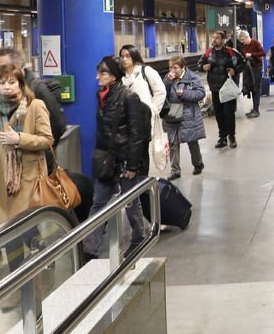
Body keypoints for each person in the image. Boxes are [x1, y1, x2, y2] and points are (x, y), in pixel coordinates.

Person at [82, 56, 149, 260]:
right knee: (98, 203)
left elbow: (137, 134)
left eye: (102, 73)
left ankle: (139, 237)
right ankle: (89, 248)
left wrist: (132, 164)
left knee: (131, 203)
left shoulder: (129, 97)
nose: (97, 77)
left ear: (113, 75)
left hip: (124, 160)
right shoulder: (102, 96)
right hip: (106, 160)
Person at [0, 65, 54, 225]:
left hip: (29, 181)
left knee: (30, 230)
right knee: (5, 236)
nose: (7, 87)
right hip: (0, 183)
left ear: (21, 84)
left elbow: (47, 139)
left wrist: (19, 139)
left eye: (12, 82)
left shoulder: (35, 105)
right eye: (2, 83)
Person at [0, 48, 66, 148]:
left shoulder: (37, 90)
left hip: (34, 158)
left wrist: (44, 154)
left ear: (18, 65)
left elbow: (57, 126)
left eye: (3, 67)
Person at [119, 44, 168, 178]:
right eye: (122, 56)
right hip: (126, 121)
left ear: (134, 56)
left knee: (141, 151)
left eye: (128, 56)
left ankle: (142, 181)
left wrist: (152, 110)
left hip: (143, 120)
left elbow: (160, 90)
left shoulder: (145, 71)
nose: (124, 59)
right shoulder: (120, 77)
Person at [199, 31, 246, 148]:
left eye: (217, 38)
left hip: (228, 89)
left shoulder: (231, 52)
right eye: (213, 38)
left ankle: (232, 137)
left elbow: (243, 63)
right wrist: (203, 67)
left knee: (229, 114)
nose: (214, 40)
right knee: (219, 114)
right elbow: (199, 65)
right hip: (215, 89)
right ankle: (222, 137)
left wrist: (235, 71)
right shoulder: (209, 53)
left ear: (223, 40)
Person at [162, 56, 207, 178]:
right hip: (172, 115)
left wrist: (185, 94)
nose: (172, 70)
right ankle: (175, 170)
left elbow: (201, 93)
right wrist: (167, 81)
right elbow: (161, 92)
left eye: (175, 68)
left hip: (188, 115)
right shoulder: (168, 79)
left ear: (183, 68)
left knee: (192, 141)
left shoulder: (192, 78)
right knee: (173, 143)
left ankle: (198, 163)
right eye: (170, 67)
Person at [236, 30, 265, 118]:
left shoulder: (255, 43)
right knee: (251, 89)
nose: (242, 42)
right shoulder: (244, 46)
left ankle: (256, 110)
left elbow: (263, 53)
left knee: (256, 89)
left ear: (246, 37)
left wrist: (251, 54)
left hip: (256, 69)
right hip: (248, 69)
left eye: (242, 40)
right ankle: (254, 109)